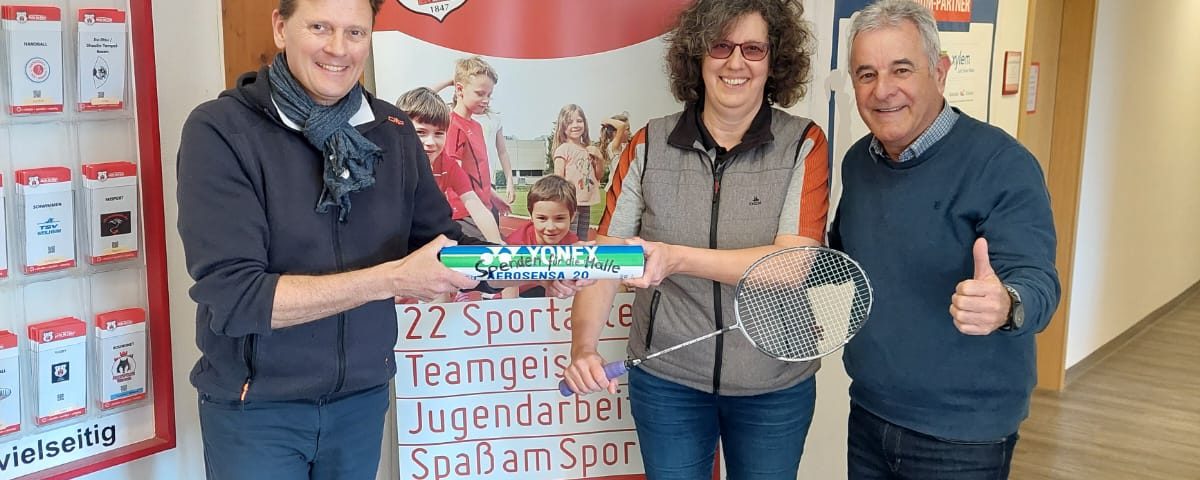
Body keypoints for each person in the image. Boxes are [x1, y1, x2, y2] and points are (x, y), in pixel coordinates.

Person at [176, 0, 487, 477]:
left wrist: (541, 268)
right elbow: (237, 299)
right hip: (257, 411)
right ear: (281, 28)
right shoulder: (221, 130)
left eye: (355, 33)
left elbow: (441, 244)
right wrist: (390, 280)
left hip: (360, 403)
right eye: (320, 27)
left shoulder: (393, 131)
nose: (338, 49)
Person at [560, 0, 831, 478]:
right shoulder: (647, 144)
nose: (735, 63)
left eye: (753, 49)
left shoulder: (803, 142)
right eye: (720, 46)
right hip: (668, 382)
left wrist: (675, 258)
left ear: (774, 59)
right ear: (697, 55)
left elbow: (791, 266)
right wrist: (583, 347)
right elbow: (607, 259)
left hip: (774, 385)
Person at [829, 1, 1061, 478]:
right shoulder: (858, 163)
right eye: (867, 74)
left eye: (901, 69)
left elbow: (1038, 281)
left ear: (940, 71)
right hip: (870, 413)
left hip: (963, 435)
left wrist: (1006, 304)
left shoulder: (1002, 164)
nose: (883, 90)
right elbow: (842, 259)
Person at [396, 87, 503, 243]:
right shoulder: (391, 163)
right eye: (420, 133)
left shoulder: (447, 165)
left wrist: (497, 244)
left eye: (439, 133)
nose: (430, 142)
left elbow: (476, 206)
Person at [447, 56, 510, 221]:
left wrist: (492, 195)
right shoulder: (453, 125)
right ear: (459, 90)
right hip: (464, 213)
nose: (486, 100)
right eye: (480, 94)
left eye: (489, 95)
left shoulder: (476, 126)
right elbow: (454, 175)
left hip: (483, 208)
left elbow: (476, 174)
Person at [502, 175, 582, 298]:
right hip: (517, 293)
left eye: (559, 218)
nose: (550, 227)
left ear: (572, 217)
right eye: (542, 218)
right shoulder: (516, 244)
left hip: (546, 291)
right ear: (531, 216)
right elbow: (508, 294)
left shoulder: (571, 242)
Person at [551, 104, 604, 240]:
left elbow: (598, 176)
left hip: (585, 203)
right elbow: (558, 180)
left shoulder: (589, 149)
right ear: (563, 127)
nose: (575, 125)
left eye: (579, 121)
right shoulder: (563, 149)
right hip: (570, 204)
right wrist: (562, 203)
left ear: (585, 123)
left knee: (582, 238)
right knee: (570, 239)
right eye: (570, 122)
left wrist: (599, 159)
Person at [599, 112, 631, 189]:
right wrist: (606, 120)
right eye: (627, 129)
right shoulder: (613, 146)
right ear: (615, 132)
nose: (630, 132)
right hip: (615, 189)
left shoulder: (626, 145)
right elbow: (621, 126)